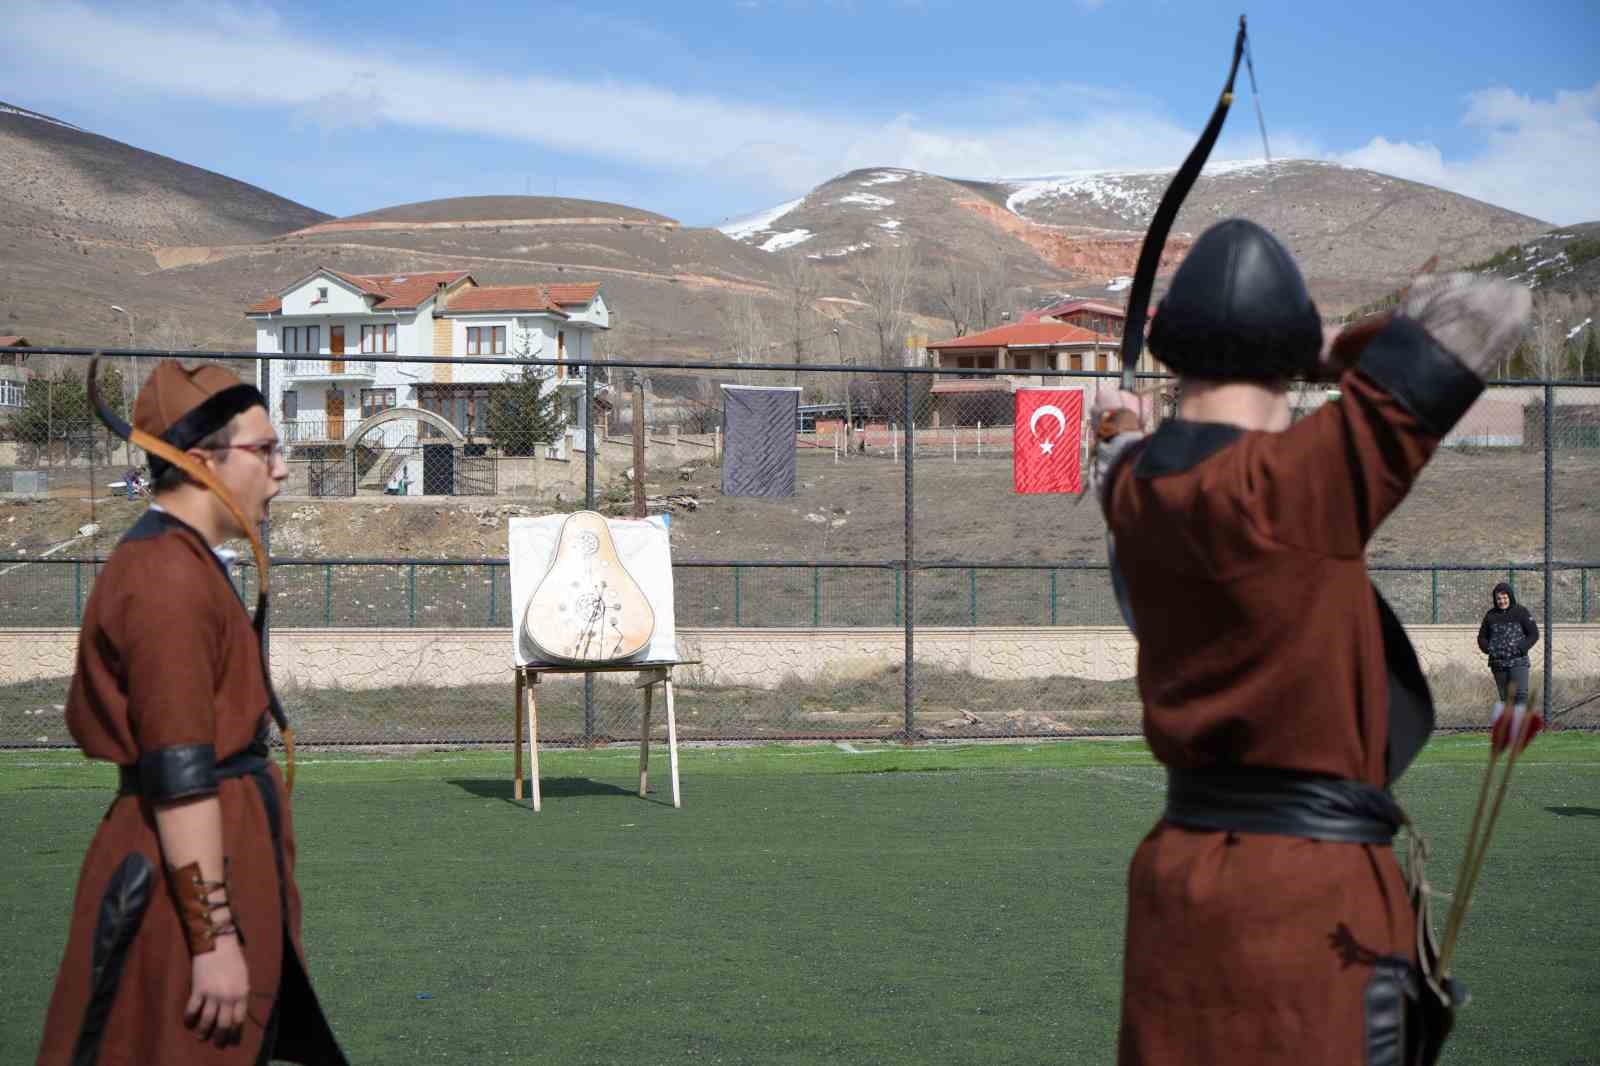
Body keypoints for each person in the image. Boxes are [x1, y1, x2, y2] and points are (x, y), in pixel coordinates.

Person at [1093, 218, 1529, 1066]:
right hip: (1310, 902)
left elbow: (1119, 454)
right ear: (1284, 355)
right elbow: (1490, 307)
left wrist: (1117, 427)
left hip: (1175, 888)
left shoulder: (1136, 492)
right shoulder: (1303, 476)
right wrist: (1330, 346)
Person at [38, 361, 345, 1065]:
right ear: (203, 460)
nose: (282, 470)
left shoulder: (188, 560)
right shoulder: (165, 578)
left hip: (220, 859)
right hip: (171, 894)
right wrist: (213, 943)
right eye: (265, 450)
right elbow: (180, 778)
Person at [1478, 581, 1539, 720]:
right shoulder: (1490, 616)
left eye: (1504, 597)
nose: (1502, 601)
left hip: (1518, 662)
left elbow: (1534, 634)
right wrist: (1490, 649)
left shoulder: (1521, 612)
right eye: (1498, 598)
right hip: (1498, 663)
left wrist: (1521, 648)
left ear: (1510, 597)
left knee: (1520, 695)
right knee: (1506, 698)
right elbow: (1481, 638)